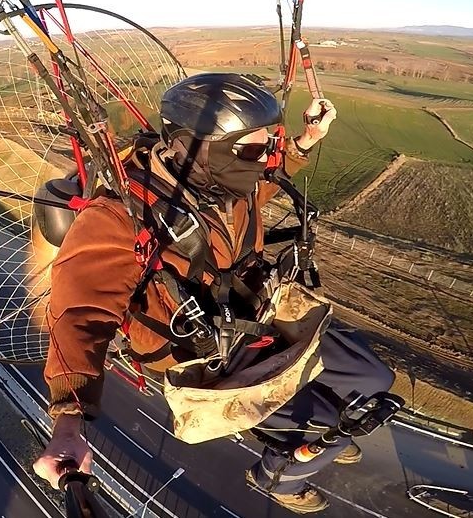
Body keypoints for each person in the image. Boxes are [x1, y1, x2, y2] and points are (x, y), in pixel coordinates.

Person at [32, 73, 395, 514]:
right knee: (322, 421)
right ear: (199, 147)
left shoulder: (222, 182)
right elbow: (79, 317)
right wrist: (69, 420)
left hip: (258, 316)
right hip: (205, 353)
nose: (264, 159)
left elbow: (261, 182)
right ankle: (283, 474)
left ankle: (328, 425)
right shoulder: (117, 219)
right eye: (252, 149)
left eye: (267, 146)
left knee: (374, 379)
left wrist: (303, 142)